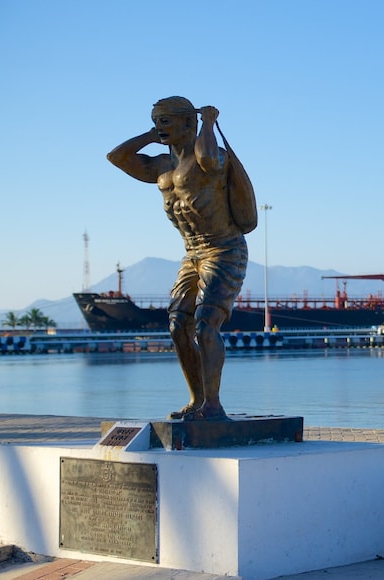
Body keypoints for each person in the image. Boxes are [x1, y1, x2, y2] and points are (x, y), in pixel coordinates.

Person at [107, 96, 257, 421]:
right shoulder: (162, 166)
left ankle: (214, 406)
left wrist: (207, 122)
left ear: (187, 123)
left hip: (223, 248)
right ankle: (197, 400)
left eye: (166, 121)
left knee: (205, 326)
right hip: (192, 254)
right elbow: (117, 157)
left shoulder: (211, 155)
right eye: (156, 121)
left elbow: (209, 160)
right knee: (177, 326)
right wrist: (151, 135)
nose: (160, 127)